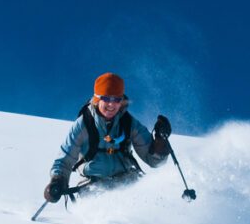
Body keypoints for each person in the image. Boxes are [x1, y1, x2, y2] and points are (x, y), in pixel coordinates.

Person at [44, 72, 172, 203]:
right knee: (104, 218)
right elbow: (65, 159)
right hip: (93, 187)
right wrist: (57, 181)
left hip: (128, 184)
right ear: (97, 98)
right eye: (106, 98)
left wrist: (160, 143)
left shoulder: (128, 123)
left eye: (117, 99)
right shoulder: (83, 124)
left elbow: (155, 162)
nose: (112, 105)